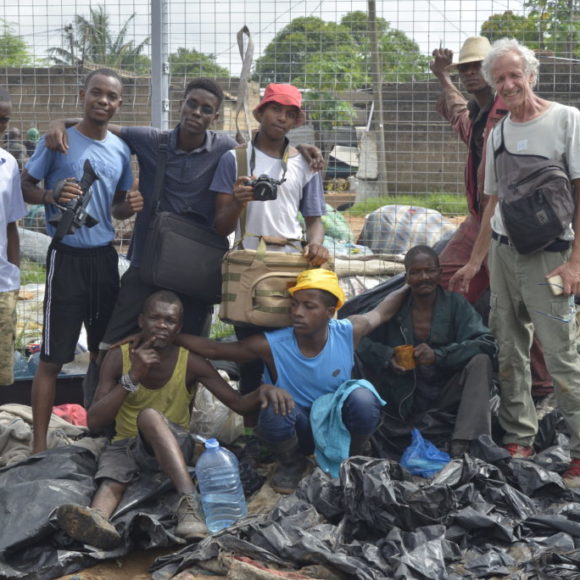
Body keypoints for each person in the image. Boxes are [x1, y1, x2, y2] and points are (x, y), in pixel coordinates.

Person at [46, 78, 323, 353]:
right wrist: (61, 123)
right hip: (147, 261)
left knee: (190, 351)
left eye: (206, 109)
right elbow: (102, 124)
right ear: (181, 104)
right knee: (112, 345)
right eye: (192, 104)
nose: (196, 112)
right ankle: (106, 390)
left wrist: (302, 151)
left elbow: (265, 149)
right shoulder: (153, 140)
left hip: (196, 268)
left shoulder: (224, 148)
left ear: (215, 117)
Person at [55, 290, 292, 549]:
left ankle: (188, 503)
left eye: (169, 321)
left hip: (175, 445)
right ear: (141, 321)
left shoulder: (189, 361)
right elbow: (95, 421)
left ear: (178, 327)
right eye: (155, 318)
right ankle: (98, 523)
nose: (162, 326)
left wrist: (262, 392)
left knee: (149, 417)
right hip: (126, 445)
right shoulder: (120, 356)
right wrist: (134, 376)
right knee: (112, 478)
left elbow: (237, 403)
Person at [449, 38, 580, 485]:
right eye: (498, 78)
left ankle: (579, 448)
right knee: (509, 348)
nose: (507, 84)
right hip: (504, 253)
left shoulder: (565, 120)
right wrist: (475, 261)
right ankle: (520, 435)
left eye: (513, 75)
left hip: (551, 256)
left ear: (531, 75)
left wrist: (576, 264)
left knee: (562, 354)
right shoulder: (499, 132)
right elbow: (492, 202)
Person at [177, 269, 409, 493]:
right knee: (274, 402)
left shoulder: (348, 332)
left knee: (363, 397)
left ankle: (351, 458)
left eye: (309, 306)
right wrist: (172, 336)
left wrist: (409, 283)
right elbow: (215, 349)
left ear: (329, 312)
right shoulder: (272, 344)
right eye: (295, 304)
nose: (298, 312)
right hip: (298, 430)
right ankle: (291, 464)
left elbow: (383, 311)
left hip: (335, 427)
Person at [21, 68, 139, 454]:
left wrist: (129, 205)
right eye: (96, 93)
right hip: (66, 260)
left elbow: (118, 208)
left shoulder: (122, 151)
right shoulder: (58, 140)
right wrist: (51, 195)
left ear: (119, 104)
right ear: (82, 95)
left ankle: (100, 436)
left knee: (105, 355)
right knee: (53, 358)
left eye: (111, 96)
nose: (103, 101)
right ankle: (38, 446)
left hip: (104, 260)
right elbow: (27, 185)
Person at [431, 36, 552, 396]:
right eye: (464, 68)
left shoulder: (513, 114)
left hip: (515, 224)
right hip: (478, 218)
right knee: (446, 278)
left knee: (521, 304)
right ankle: (461, 357)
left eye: (476, 67)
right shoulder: (480, 114)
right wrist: (443, 78)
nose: (470, 73)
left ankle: (543, 386)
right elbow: (458, 115)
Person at [210, 83, 329, 397]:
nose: (282, 118)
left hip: (291, 267)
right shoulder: (234, 160)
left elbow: (315, 220)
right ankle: (252, 432)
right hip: (249, 265)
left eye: (290, 113)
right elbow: (221, 227)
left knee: (290, 352)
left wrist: (316, 243)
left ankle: (289, 427)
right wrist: (238, 201)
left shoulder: (306, 164)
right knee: (250, 353)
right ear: (261, 112)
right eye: (276, 109)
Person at [356, 245, 497, 458]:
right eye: (416, 272)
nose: (424, 277)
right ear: (407, 277)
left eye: (430, 270)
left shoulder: (455, 305)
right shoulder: (393, 309)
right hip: (403, 398)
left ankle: (464, 444)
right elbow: (358, 341)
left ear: (440, 273)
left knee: (481, 361)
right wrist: (387, 356)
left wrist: (439, 356)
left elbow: (487, 342)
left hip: (445, 395)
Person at [0, 87, 27, 386]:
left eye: (4, 119)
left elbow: (11, 225)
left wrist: (15, 274)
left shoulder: (8, 165)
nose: (1, 126)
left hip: (2, 284)